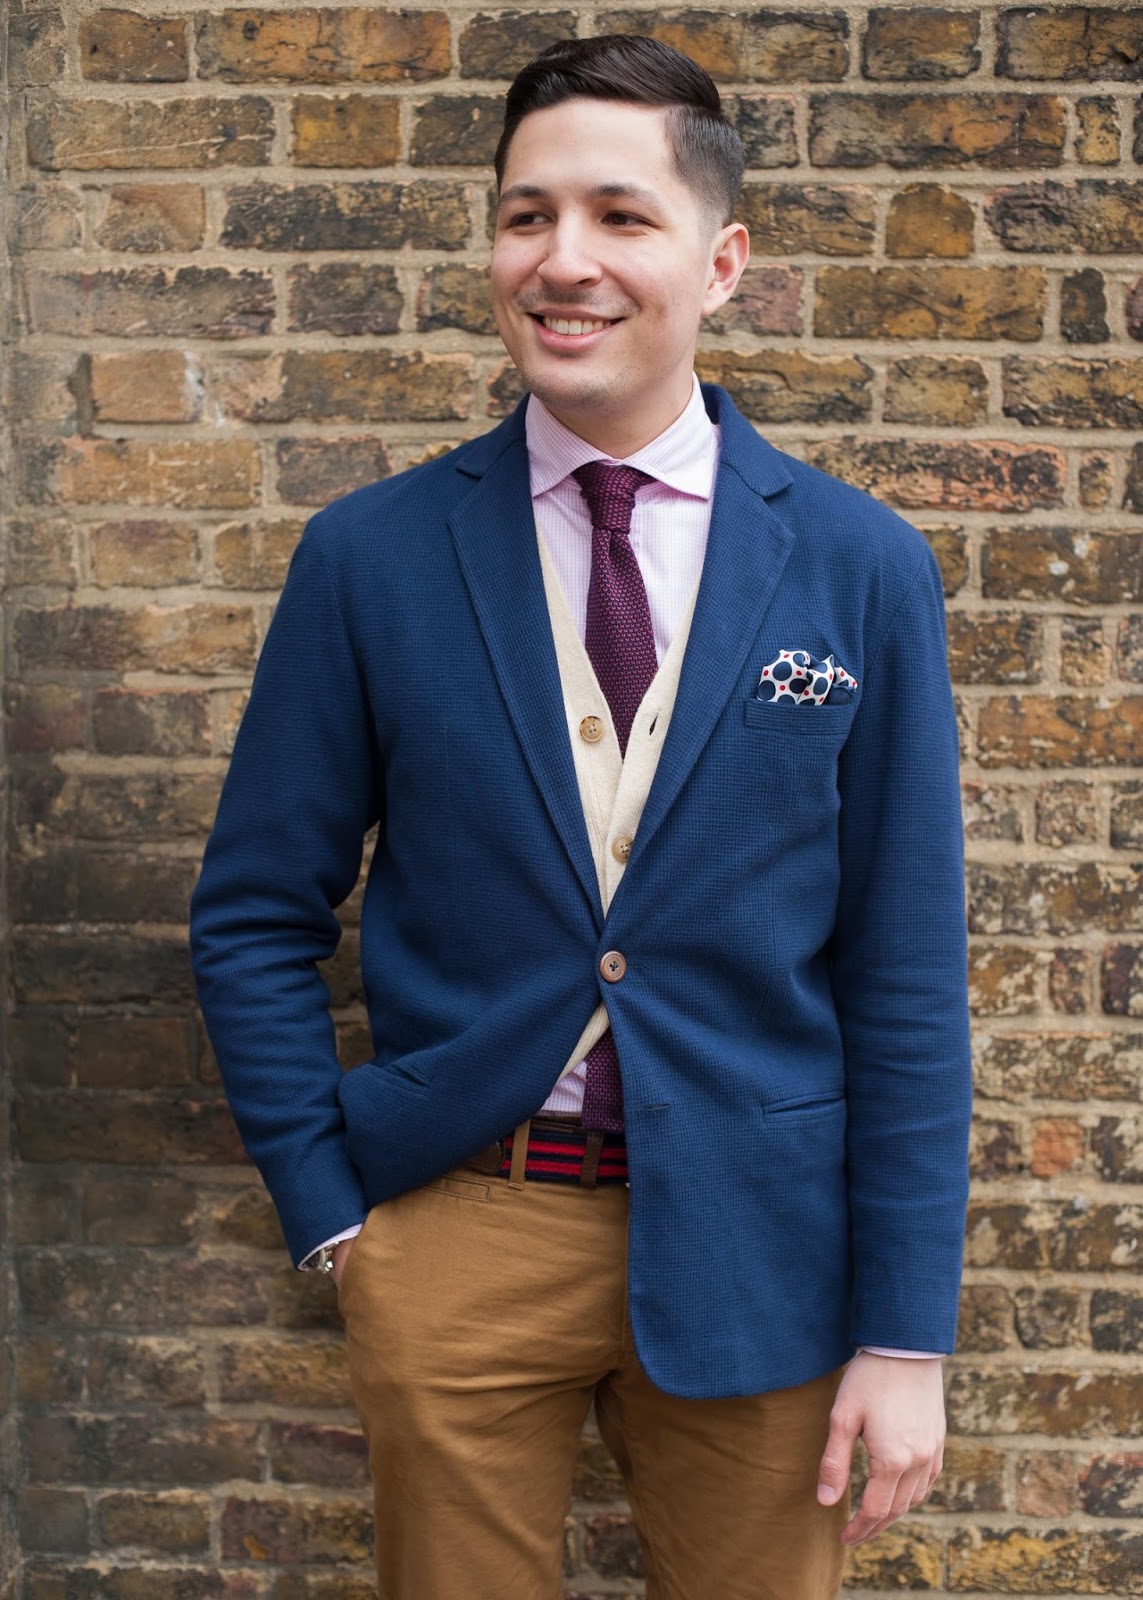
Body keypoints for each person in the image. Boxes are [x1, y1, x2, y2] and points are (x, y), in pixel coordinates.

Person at [190, 33, 973, 1599]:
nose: (564, 260)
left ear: (720, 261)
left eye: (621, 216)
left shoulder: (858, 564)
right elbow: (257, 911)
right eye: (525, 215)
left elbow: (903, 970)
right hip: (461, 1223)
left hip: (764, 1244)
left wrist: (905, 1333)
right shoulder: (371, 557)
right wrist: (333, 1214)